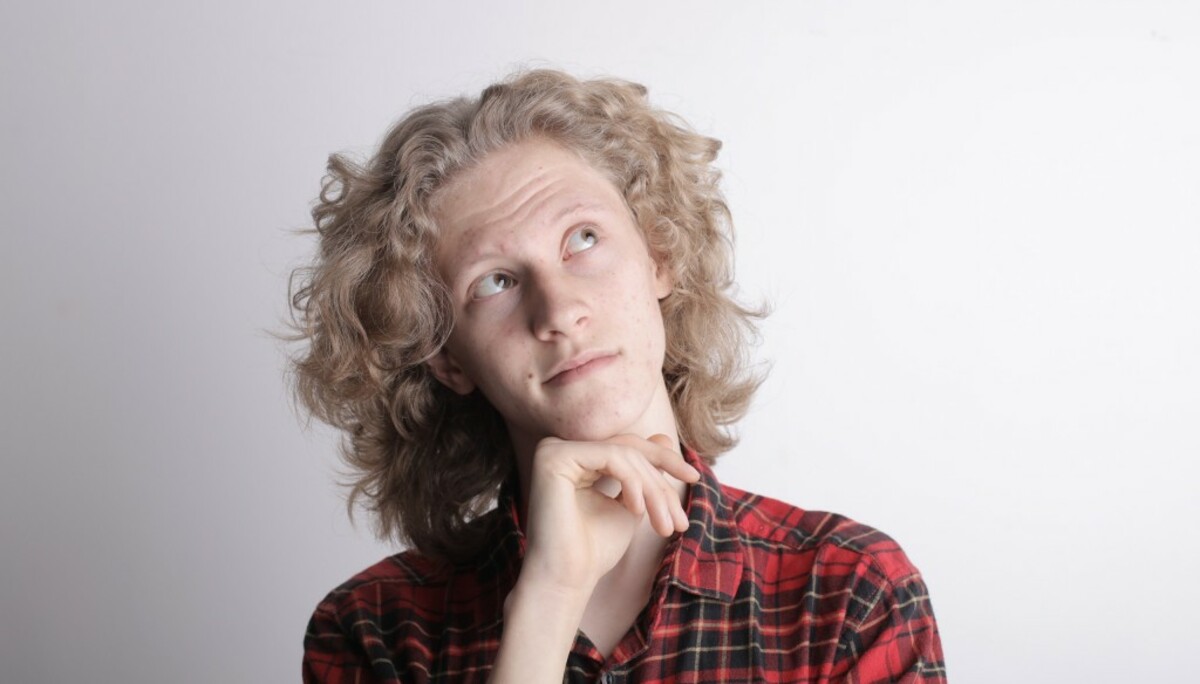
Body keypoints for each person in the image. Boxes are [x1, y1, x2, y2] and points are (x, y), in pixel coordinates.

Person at [290, 69, 946, 683]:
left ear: (658, 255)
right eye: (495, 282)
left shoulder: (848, 597)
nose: (560, 312)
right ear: (445, 356)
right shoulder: (373, 632)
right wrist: (548, 599)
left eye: (582, 240)